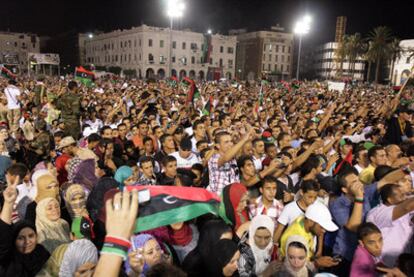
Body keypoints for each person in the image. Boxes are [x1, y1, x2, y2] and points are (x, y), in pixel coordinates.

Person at [0, 177, 50, 277]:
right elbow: (3, 237)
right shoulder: (8, 261)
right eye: (20, 238)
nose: (27, 242)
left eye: (31, 236)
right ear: (13, 240)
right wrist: (8, 203)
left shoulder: (42, 253)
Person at [367, 183, 414, 267]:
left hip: (403, 263)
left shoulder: (403, 210)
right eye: (401, 195)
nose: (405, 198)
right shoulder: (378, 212)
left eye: (404, 194)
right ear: (390, 200)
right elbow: (407, 207)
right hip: (384, 264)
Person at [280, 202, 339, 268]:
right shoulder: (296, 238)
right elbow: (295, 266)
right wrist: (317, 263)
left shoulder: (303, 221)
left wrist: (319, 257)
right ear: (310, 221)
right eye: (321, 227)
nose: (324, 231)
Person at [207, 129, 254, 194]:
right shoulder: (214, 158)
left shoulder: (233, 158)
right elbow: (225, 158)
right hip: (218, 200)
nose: (230, 144)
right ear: (218, 145)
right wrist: (244, 140)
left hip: (232, 196)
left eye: (231, 141)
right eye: (226, 142)